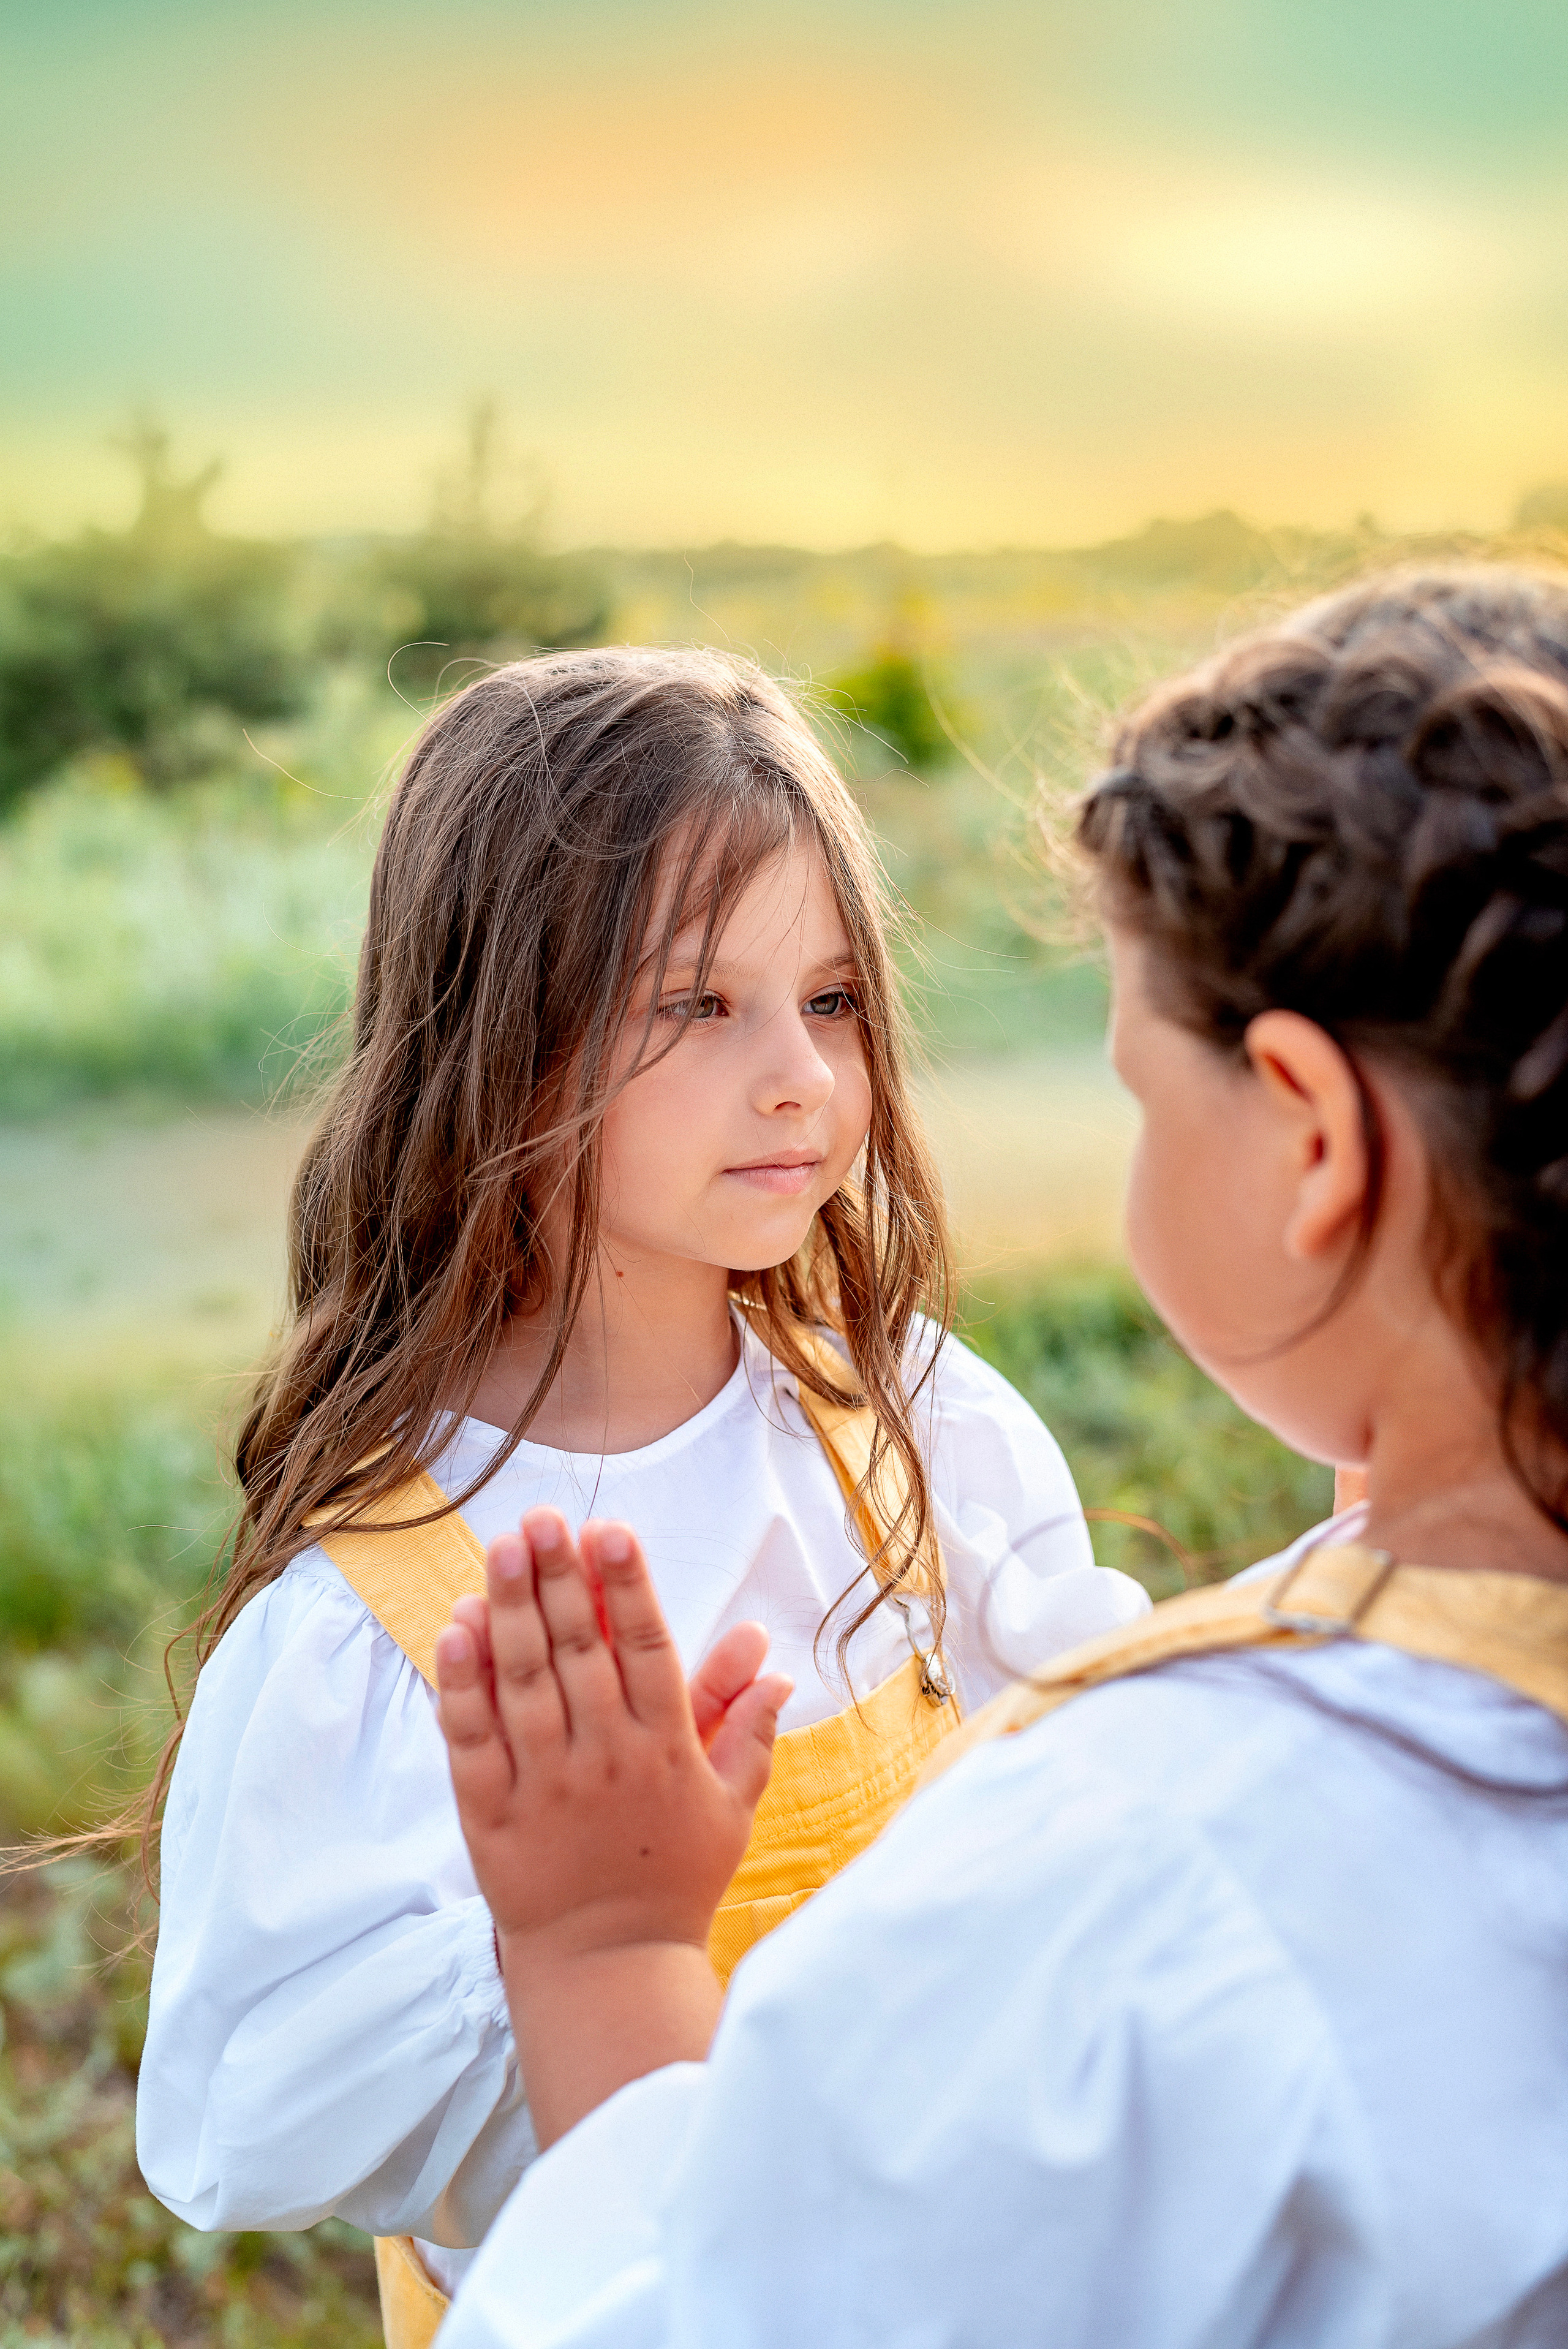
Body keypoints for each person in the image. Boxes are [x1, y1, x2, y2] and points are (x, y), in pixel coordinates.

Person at [432, 569, 1568, 2348]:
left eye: (1140, 1084)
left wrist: (603, 1954)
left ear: (1312, 1139)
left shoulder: (1134, 1883)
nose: (799, 1078)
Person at [134, 646, 1147, 2338]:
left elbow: (1079, 1789)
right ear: (500, 1037)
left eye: (829, 1001)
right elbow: (244, 2118)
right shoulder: (380, 1619)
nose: (804, 1081)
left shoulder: (903, 1425)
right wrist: (572, 1948)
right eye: (698, 1006)